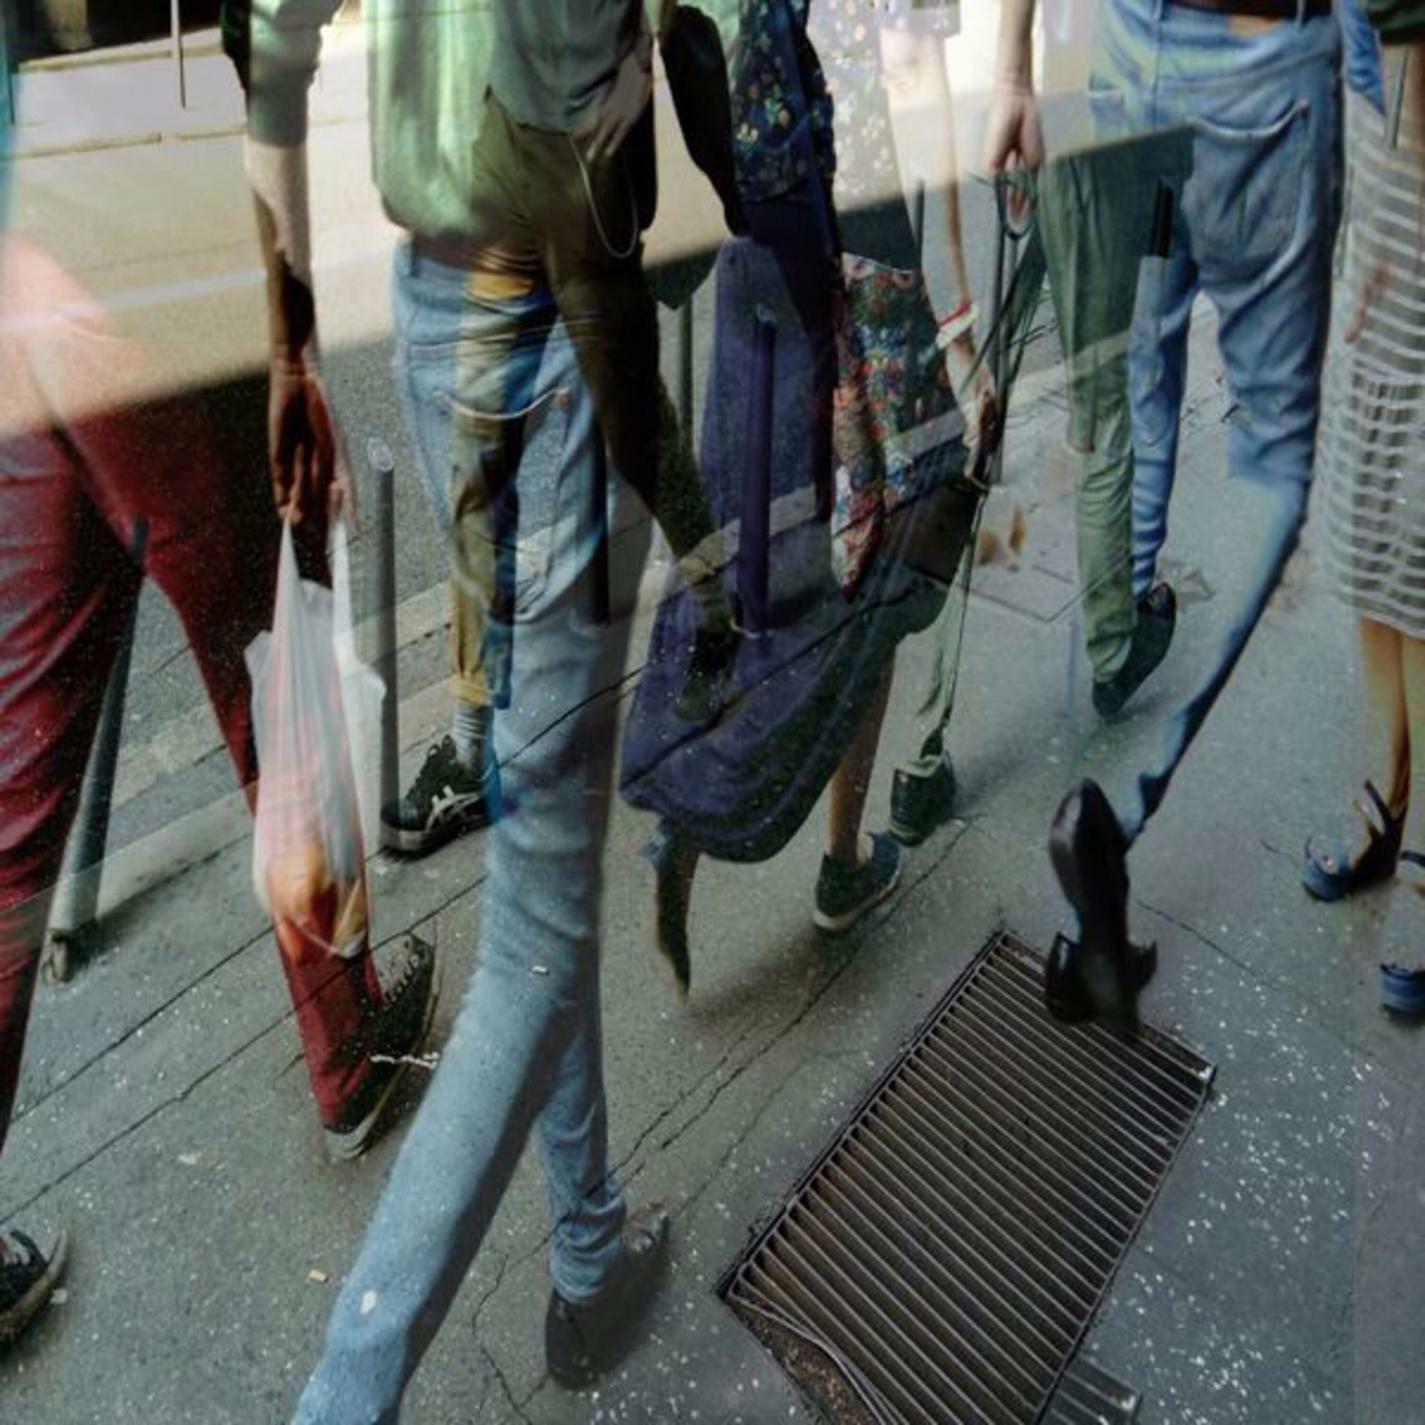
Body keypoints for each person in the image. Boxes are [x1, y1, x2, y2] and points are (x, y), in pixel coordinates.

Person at [221, 0, 691, 1411]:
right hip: (554, 314)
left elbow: (271, 44)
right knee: (541, 912)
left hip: (438, 310)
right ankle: (347, 1391)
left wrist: (290, 349)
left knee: (543, 852)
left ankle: (589, 1247)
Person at [0, 62, 435, 1349]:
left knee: (20, 773)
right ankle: (350, 1050)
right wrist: (291, 353)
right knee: (277, 673)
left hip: (26, 265)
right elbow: (256, 73)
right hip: (148, 264)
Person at [624, 0, 997, 993]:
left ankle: (682, 828)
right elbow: (913, 89)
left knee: (749, 568)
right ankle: (842, 861)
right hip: (858, 278)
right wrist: (959, 324)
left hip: (751, 267)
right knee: (871, 580)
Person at [985, 0, 1343, 1026]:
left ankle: (1121, 633)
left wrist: (1014, 72)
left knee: (1139, 376)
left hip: (1129, 59)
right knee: (1272, 449)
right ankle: (1115, 811)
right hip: (1252, 69)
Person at [1302, 35, 1425, 1009]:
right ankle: (1390, 792)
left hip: (1411, 168)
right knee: (1373, 525)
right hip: (1374, 142)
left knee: (1416, 550)